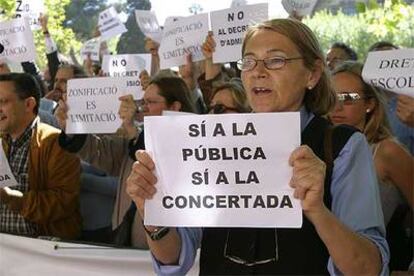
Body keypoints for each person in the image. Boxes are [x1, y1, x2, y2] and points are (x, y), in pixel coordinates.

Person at [126, 19, 389, 275]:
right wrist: (151, 211)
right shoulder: (208, 142)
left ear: (313, 74)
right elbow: (174, 258)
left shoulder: (343, 146)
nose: (258, 71)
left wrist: (318, 211)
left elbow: (367, 268)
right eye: (249, 61)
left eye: (275, 60)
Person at [56, 75, 197, 247]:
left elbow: (160, 160)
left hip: (164, 247)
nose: (142, 108)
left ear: (175, 107)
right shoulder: (134, 137)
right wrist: (71, 128)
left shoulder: (193, 148)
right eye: (143, 102)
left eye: (151, 102)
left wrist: (132, 130)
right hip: (126, 239)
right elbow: (101, 153)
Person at [329, 60, 413, 271]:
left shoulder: (388, 152)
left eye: (348, 98)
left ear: (370, 104)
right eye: (332, 98)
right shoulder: (318, 147)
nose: (337, 107)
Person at [0, 73, 81, 239]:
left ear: (29, 104)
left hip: (40, 254)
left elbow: (64, 202)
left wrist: (13, 199)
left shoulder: (57, 143)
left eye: (3, 102)